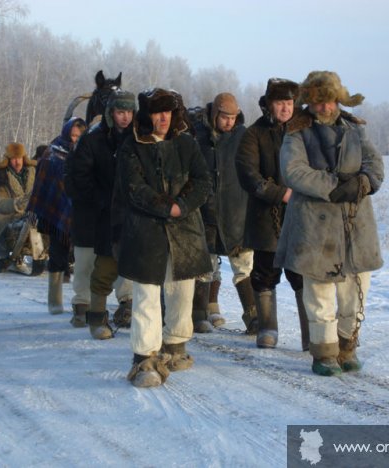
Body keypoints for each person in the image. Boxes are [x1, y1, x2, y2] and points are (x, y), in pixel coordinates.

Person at [275, 71, 384, 376]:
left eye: (330, 101)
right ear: (310, 101)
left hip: (355, 223)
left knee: (356, 287)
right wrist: (334, 186)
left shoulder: (355, 128)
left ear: (338, 99)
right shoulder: (296, 132)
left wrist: (363, 183)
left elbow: (374, 164)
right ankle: (323, 353)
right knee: (320, 293)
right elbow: (293, 171)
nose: (325, 108)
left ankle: (347, 346)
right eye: (319, 102)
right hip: (315, 225)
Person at [115, 88, 212, 388]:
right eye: (157, 113)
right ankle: (144, 357)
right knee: (146, 296)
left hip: (185, 229)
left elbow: (203, 180)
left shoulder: (186, 143)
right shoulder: (132, 146)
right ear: (147, 115)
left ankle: (175, 345)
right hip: (145, 229)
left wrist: (181, 206)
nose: (163, 118)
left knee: (181, 291)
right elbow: (134, 187)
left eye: (167, 112)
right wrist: (164, 206)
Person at [235, 78, 308, 350]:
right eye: (280, 103)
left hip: (302, 216)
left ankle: (311, 335)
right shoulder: (254, 134)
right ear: (269, 105)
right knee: (264, 273)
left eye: (290, 103)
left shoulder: (305, 131)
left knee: (302, 275)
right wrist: (281, 193)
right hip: (267, 218)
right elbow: (248, 174)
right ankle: (267, 328)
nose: (286, 109)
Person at [66, 90, 136, 337]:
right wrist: (101, 199)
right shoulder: (92, 139)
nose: (125, 118)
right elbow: (79, 176)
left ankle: (125, 303)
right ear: (111, 113)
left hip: (125, 212)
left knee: (123, 261)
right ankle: (82, 305)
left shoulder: (138, 139)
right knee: (86, 261)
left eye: (129, 112)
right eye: (120, 112)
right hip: (93, 210)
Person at [191, 93, 254, 334]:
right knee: (203, 265)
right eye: (225, 117)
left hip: (237, 210)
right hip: (205, 211)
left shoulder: (243, 137)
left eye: (233, 117)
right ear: (215, 114)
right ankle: (199, 315)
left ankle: (254, 316)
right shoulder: (198, 136)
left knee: (244, 265)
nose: (229, 122)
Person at [28, 117, 87, 314]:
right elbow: (43, 182)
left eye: (79, 136)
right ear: (66, 133)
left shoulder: (86, 152)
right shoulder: (52, 153)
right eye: (73, 135)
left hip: (81, 211)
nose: (75, 139)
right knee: (57, 254)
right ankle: (54, 299)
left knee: (83, 256)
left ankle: (83, 300)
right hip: (57, 211)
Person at [0, 142, 38, 272]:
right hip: (9, 212)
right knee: (0, 222)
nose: (17, 162)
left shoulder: (34, 173)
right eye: (14, 159)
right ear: (8, 160)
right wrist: (17, 203)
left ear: (24, 158)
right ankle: (2, 257)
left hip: (33, 211)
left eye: (19, 158)